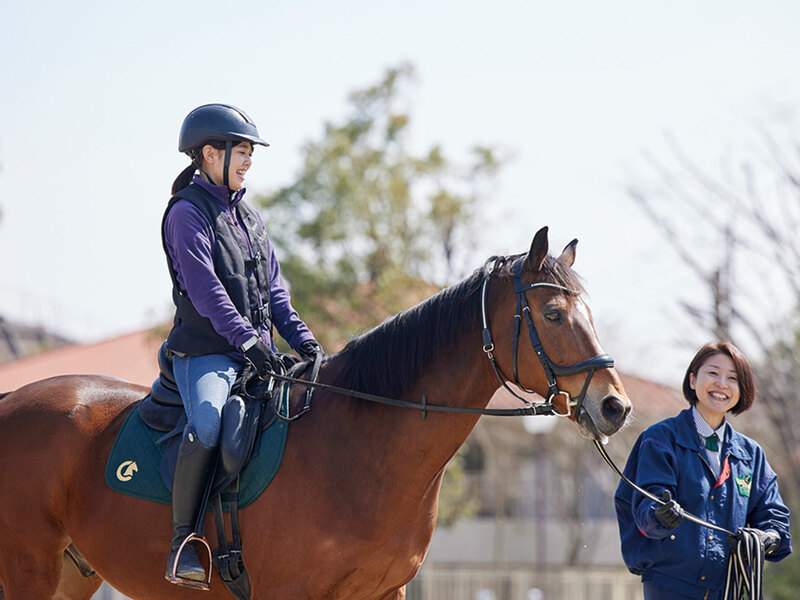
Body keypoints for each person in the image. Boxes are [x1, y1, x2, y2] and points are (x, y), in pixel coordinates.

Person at [161, 103, 324, 587]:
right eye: (243, 151)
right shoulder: (187, 214)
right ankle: (183, 542)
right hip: (206, 354)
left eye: (252, 152)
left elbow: (275, 293)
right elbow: (207, 291)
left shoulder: (250, 218)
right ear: (210, 153)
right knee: (209, 425)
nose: (249, 161)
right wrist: (250, 342)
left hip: (254, 355)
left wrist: (306, 342)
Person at [614, 341, 791, 600]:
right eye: (713, 373)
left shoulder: (751, 455)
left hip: (730, 589)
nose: (722, 384)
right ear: (693, 379)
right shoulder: (660, 439)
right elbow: (645, 512)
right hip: (670, 587)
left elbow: (774, 516)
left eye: (733, 378)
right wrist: (661, 515)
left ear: (742, 390)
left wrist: (769, 537)